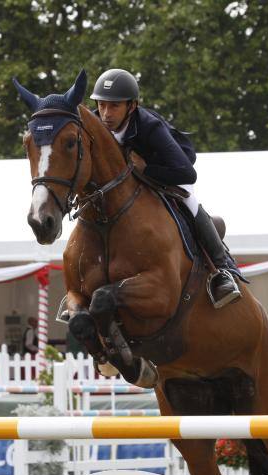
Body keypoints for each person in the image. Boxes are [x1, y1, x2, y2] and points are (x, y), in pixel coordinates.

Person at [90, 68, 241, 309]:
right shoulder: (95, 121)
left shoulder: (149, 127)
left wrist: (147, 168)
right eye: (102, 105)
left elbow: (188, 173)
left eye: (114, 106)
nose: (106, 114)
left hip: (169, 169)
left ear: (132, 106)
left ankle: (223, 270)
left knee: (189, 200)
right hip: (128, 181)